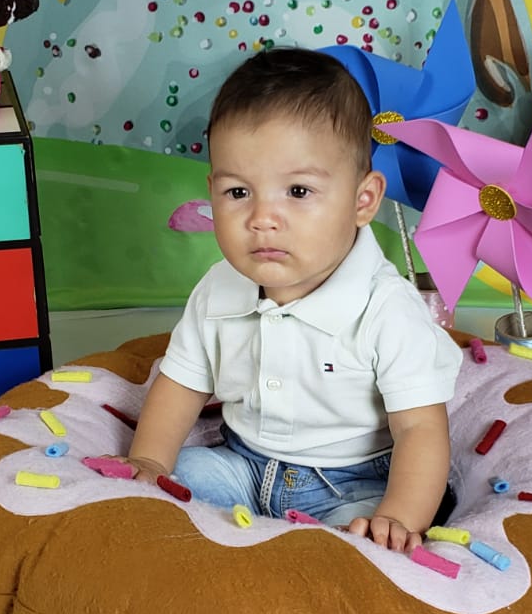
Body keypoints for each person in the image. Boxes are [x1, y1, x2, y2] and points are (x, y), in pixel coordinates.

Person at [113, 47, 461, 551]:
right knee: (168, 488)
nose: (262, 219)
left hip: (353, 482)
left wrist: (398, 517)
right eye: (238, 193)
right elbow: (181, 384)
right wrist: (150, 460)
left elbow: (419, 428)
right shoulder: (218, 288)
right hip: (244, 465)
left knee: (359, 543)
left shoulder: (386, 307)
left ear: (363, 200)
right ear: (212, 191)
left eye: (298, 192)